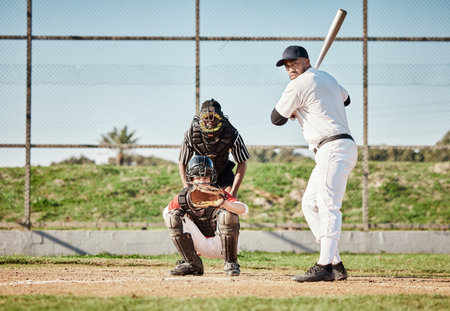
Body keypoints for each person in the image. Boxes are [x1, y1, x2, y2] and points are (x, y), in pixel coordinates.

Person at [271, 45, 357, 282]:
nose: (290, 68)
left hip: (333, 147)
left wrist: (296, 105)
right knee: (310, 204)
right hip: (335, 149)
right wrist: (310, 96)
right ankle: (335, 262)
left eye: (294, 63)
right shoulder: (327, 78)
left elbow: (276, 118)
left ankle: (324, 265)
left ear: (307, 61)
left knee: (328, 205)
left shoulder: (299, 84)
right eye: (287, 65)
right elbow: (346, 99)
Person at [163, 155, 248, 276]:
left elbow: (244, 209)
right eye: (197, 177)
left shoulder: (220, 194)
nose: (202, 181)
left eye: (206, 177)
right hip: (199, 246)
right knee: (172, 217)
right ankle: (192, 263)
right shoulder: (184, 197)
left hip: (223, 246)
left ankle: (231, 262)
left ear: (212, 178)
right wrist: (184, 214)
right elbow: (166, 213)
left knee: (227, 214)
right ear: (191, 179)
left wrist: (224, 203)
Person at [179, 99, 250, 198]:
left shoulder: (232, 134)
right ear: (200, 120)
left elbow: (242, 163)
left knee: (229, 204)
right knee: (192, 205)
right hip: (200, 176)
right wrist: (186, 188)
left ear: (221, 119)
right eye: (206, 119)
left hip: (223, 174)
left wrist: (233, 191)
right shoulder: (191, 134)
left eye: (214, 119)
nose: (210, 122)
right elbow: (182, 163)